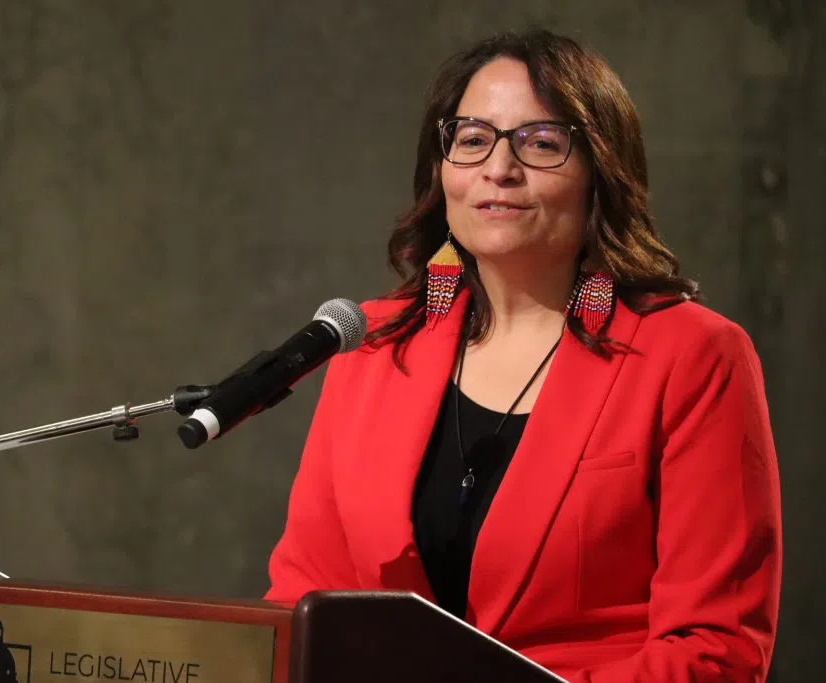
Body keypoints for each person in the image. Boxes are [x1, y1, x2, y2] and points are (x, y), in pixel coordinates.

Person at [263, 28, 782, 683]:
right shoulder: (373, 343)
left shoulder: (693, 355)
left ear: (601, 172)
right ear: (441, 168)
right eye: (473, 139)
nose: (499, 169)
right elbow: (304, 604)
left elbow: (718, 650)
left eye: (540, 143)